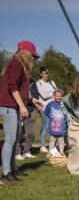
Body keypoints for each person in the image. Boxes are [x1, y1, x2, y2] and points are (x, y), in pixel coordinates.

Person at [0, 40, 43, 183]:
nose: (33, 59)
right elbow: (12, 87)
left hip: (14, 106)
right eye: (32, 55)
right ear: (25, 53)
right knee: (11, 139)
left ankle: (12, 169)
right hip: (9, 107)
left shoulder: (18, 65)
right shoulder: (17, 64)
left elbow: (18, 88)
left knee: (15, 138)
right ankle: (6, 174)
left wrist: (31, 101)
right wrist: (22, 106)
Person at [15, 79, 40, 160]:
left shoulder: (33, 82)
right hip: (19, 109)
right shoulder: (18, 81)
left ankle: (26, 151)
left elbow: (35, 95)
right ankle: (17, 152)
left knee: (32, 133)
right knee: (18, 132)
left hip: (30, 109)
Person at [36, 67, 57, 153]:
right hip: (44, 107)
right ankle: (42, 145)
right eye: (45, 73)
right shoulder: (38, 83)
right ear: (41, 74)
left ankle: (53, 145)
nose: (47, 75)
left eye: (47, 73)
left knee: (54, 126)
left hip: (53, 107)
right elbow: (43, 96)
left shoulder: (51, 83)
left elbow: (57, 93)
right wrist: (52, 93)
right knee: (45, 126)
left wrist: (53, 94)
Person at [45, 89, 67, 155]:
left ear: (62, 96)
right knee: (52, 140)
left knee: (61, 140)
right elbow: (46, 111)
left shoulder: (64, 104)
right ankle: (50, 152)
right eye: (57, 96)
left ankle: (61, 152)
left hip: (62, 127)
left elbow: (67, 113)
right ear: (54, 96)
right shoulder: (50, 104)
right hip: (53, 127)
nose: (58, 97)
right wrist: (51, 117)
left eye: (60, 96)